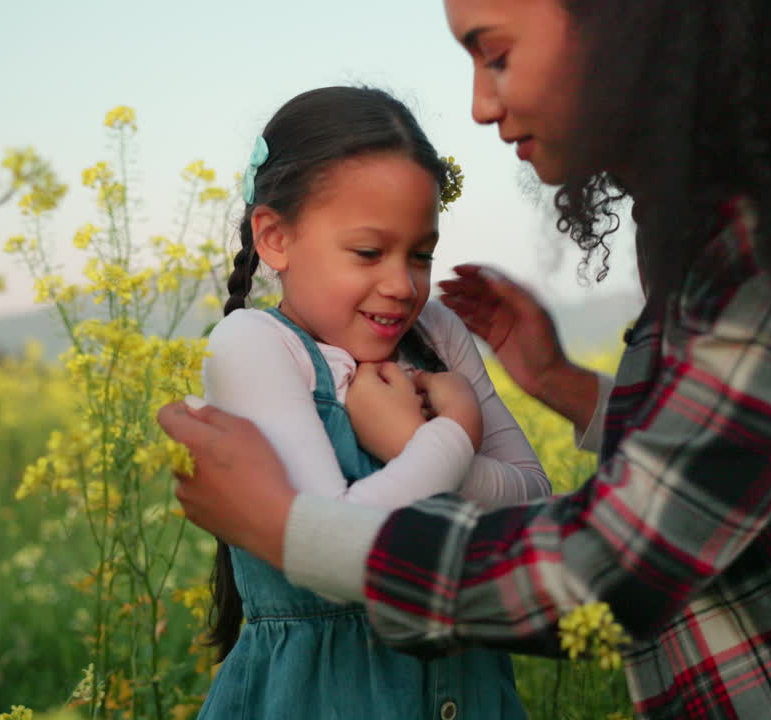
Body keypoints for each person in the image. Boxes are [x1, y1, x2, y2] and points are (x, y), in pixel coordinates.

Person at [161, 2, 771, 718]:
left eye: (496, 54)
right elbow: (762, 449)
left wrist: (293, 529)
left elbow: (612, 568)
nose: (480, 105)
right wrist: (564, 384)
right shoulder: (751, 204)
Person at [193, 85, 548, 720]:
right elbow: (335, 551)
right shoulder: (255, 345)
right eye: (367, 252)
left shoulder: (437, 334)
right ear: (275, 238)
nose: (401, 285)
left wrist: (418, 449)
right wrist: (444, 437)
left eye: (420, 255)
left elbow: (535, 500)